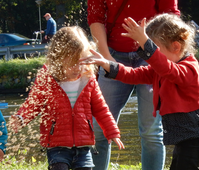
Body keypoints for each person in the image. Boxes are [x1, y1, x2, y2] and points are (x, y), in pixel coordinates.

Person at [81, 13, 199, 170]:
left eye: (155, 50)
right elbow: (134, 74)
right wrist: (107, 64)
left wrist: (145, 41)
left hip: (195, 137)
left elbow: (167, 68)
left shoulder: (189, 69)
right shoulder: (160, 71)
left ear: (176, 47)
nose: (150, 58)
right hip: (185, 139)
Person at [11, 26, 125, 170]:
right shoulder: (48, 79)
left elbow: (101, 108)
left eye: (81, 62)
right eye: (72, 64)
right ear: (58, 58)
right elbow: (34, 103)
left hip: (83, 144)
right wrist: (21, 118)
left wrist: (112, 131)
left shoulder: (88, 79)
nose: (77, 68)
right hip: (57, 144)